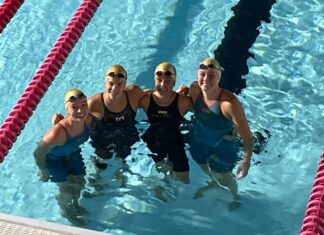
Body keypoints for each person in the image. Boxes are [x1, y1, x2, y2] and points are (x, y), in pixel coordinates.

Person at [53, 64, 144, 170]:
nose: (114, 88)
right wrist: (59, 122)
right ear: (106, 82)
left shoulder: (134, 94)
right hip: (104, 142)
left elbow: (151, 98)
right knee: (102, 168)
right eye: (111, 83)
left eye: (119, 84)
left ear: (125, 83)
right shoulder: (94, 104)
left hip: (128, 138)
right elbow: (75, 118)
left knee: (126, 162)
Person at [186, 57, 253, 198]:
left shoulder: (229, 104)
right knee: (203, 164)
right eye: (202, 75)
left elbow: (247, 136)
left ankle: (235, 196)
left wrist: (246, 160)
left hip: (223, 145)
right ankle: (214, 182)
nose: (205, 79)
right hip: (199, 138)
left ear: (219, 78)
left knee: (225, 176)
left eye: (211, 76)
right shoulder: (194, 90)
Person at [34, 88, 92, 225]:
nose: (80, 110)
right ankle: (66, 210)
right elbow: (38, 152)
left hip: (72, 153)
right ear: (67, 109)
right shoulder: (57, 133)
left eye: (83, 105)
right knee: (66, 188)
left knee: (80, 182)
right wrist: (44, 170)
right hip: (53, 160)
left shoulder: (89, 120)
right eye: (74, 107)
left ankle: (75, 204)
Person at [140, 62, 193, 184]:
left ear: (174, 82)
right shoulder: (145, 98)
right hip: (153, 140)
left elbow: (204, 112)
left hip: (175, 141)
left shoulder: (183, 101)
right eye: (159, 80)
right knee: (160, 170)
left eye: (168, 81)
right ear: (154, 80)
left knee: (184, 178)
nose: (163, 85)